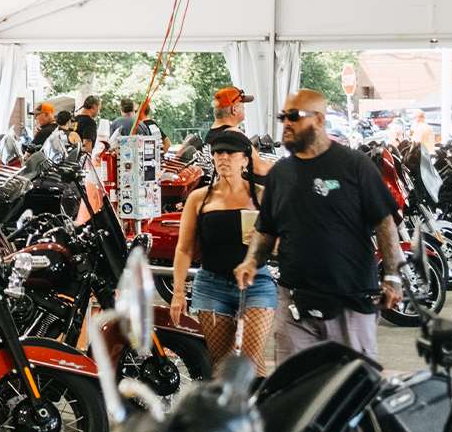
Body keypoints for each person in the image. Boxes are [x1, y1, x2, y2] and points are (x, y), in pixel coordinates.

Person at [234, 89, 403, 363]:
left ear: (320, 120)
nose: (286, 124)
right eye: (282, 117)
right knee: (296, 394)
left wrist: (393, 277)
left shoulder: (354, 165)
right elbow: (266, 230)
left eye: (294, 116)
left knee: (350, 392)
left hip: (351, 303)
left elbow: (385, 224)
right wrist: (251, 261)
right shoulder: (280, 174)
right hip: (295, 306)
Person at [170, 129, 276, 375]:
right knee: (219, 361)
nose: (223, 158)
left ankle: (258, 411)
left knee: (251, 358)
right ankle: (225, 411)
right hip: (212, 284)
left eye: (230, 152)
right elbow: (184, 249)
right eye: (218, 152)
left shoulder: (261, 196)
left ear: (245, 160)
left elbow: (280, 238)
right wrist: (177, 291)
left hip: (256, 281)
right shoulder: (199, 198)